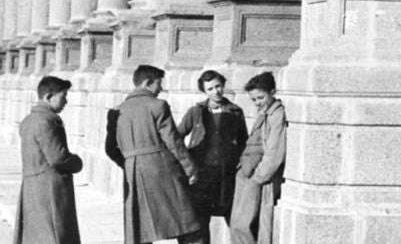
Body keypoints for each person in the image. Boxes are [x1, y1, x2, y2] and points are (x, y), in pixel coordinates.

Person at [105, 64, 203, 244]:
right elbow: (173, 141)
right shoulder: (158, 105)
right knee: (188, 223)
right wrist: (190, 169)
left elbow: (110, 149)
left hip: (132, 173)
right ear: (148, 83)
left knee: (139, 229)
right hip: (162, 169)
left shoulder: (116, 111)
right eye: (159, 83)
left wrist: (129, 162)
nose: (161, 88)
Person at [179, 70, 249, 242]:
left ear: (223, 85)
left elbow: (243, 142)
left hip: (226, 176)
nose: (215, 92)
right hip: (201, 176)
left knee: (235, 219)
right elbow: (176, 136)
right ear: (204, 91)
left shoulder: (235, 112)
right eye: (210, 89)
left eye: (218, 86)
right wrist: (186, 164)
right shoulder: (196, 112)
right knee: (200, 224)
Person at [14, 75, 82, 244]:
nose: (66, 101)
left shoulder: (29, 120)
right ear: (49, 97)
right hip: (50, 189)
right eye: (63, 96)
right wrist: (77, 162)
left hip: (33, 186)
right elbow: (58, 158)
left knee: (36, 236)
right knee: (55, 235)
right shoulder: (47, 121)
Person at [229, 71, 286, 244]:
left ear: (273, 92)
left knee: (242, 226)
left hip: (256, 177)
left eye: (260, 98)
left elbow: (275, 152)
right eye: (254, 99)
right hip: (245, 172)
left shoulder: (276, 114)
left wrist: (258, 178)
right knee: (237, 224)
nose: (257, 103)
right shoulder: (265, 113)